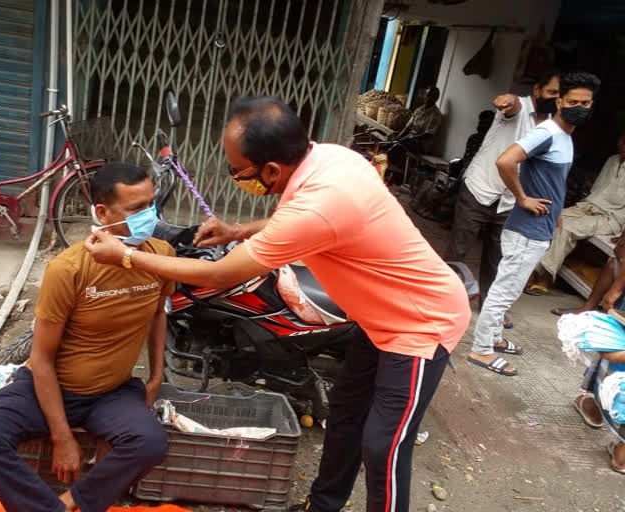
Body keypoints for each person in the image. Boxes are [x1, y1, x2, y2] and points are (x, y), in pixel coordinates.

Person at [85, 96, 471, 512]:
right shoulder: (328, 159)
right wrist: (238, 230)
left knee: (383, 446)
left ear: (270, 169)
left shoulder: (323, 199)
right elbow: (295, 220)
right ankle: (323, 505)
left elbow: (220, 275)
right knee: (344, 416)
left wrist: (125, 255)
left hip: (419, 323)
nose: (234, 176)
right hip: (378, 319)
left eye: (237, 170)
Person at [0, 163, 174, 512]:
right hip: (46, 388)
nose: (149, 215)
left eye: (151, 204)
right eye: (136, 208)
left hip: (112, 393)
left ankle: (75, 500)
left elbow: (159, 314)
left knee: (149, 443)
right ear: (102, 212)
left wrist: (155, 377)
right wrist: (62, 437)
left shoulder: (161, 255)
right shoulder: (68, 268)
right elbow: (41, 359)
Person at [468, 71, 601, 376]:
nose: (579, 106)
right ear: (559, 100)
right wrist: (523, 198)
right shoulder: (547, 133)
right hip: (525, 229)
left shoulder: (565, 136)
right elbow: (505, 160)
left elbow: (551, 182)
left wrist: (555, 216)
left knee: (510, 289)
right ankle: (481, 349)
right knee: (504, 290)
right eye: (573, 101)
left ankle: (495, 339)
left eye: (586, 102)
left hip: (540, 228)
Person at [446, 71, 560, 327]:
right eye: (551, 92)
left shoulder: (553, 126)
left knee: (498, 257)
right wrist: (508, 100)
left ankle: (489, 307)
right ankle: (441, 300)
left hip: (511, 200)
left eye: (559, 96)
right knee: (458, 250)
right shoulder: (518, 109)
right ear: (537, 90)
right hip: (480, 188)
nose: (555, 99)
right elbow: (512, 104)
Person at [527, 133, 625, 295]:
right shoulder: (612, 160)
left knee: (565, 228)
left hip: (611, 217)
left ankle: (545, 277)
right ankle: (531, 269)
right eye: (622, 141)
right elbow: (597, 190)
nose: (623, 146)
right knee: (549, 217)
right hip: (589, 206)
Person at [410, 109, 495, 220]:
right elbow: (466, 158)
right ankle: (445, 197)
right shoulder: (474, 138)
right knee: (456, 166)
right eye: (481, 121)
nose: (480, 124)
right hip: (468, 167)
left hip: (478, 172)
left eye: (485, 123)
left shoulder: (490, 142)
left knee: (466, 173)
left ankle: (447, 196)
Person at [393, 86, 443, 155]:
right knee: (394, 142)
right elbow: (408, 127)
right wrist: (398, 137)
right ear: (425, 96)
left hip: (422, 145)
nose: (429, 98)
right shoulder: (418, 110)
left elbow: (428, 135)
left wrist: (411, 138)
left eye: (432, 97)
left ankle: (383, 159)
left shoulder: (436, 115)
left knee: (399, 145)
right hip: (410, 139)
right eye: (428, 95)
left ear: (436, 99)